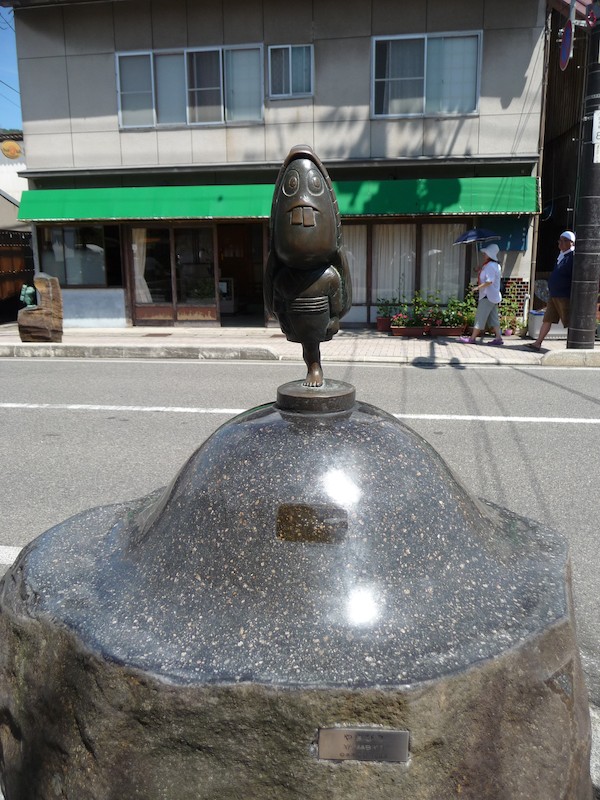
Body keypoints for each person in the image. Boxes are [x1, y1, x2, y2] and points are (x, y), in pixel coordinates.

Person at [526, 230, 575, 351]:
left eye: (564, 241)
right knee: (547, 319)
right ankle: (538, 343)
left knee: (569, 321)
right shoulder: (561, 255)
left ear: (572, 243)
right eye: (560, 240)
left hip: (564, 295)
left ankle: (573, 345)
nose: (561, 243)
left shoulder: (573, 257)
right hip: (554, 294)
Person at [460, 243, 504, 346]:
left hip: (487, 296)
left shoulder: (490, 266)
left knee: (480, 317)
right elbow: (487, 277)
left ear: (490, 254)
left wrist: (477, 288)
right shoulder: (492, 265)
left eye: (486, 253)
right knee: (494, 318)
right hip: (493, 296)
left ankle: (472, 338)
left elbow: (489, 281)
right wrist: (479, 270)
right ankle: (498, 338)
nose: (483, 254)